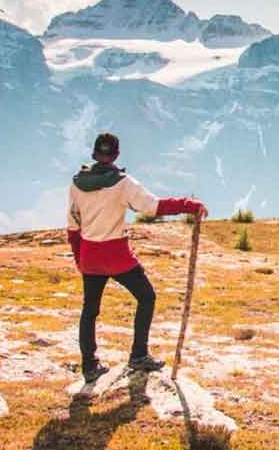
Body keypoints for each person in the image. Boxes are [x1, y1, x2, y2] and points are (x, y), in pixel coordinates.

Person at [67, 132, 208, 382]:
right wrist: (189, 204)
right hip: (116, 255)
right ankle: (138, 355)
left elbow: (73, 227)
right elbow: (153, 207)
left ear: (94, 154)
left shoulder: (77, 183)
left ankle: (89, 366)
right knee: (146, 296)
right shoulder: (123, 183)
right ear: (117, 155)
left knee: (89, 310)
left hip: (90, 255)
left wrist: (81, 259)